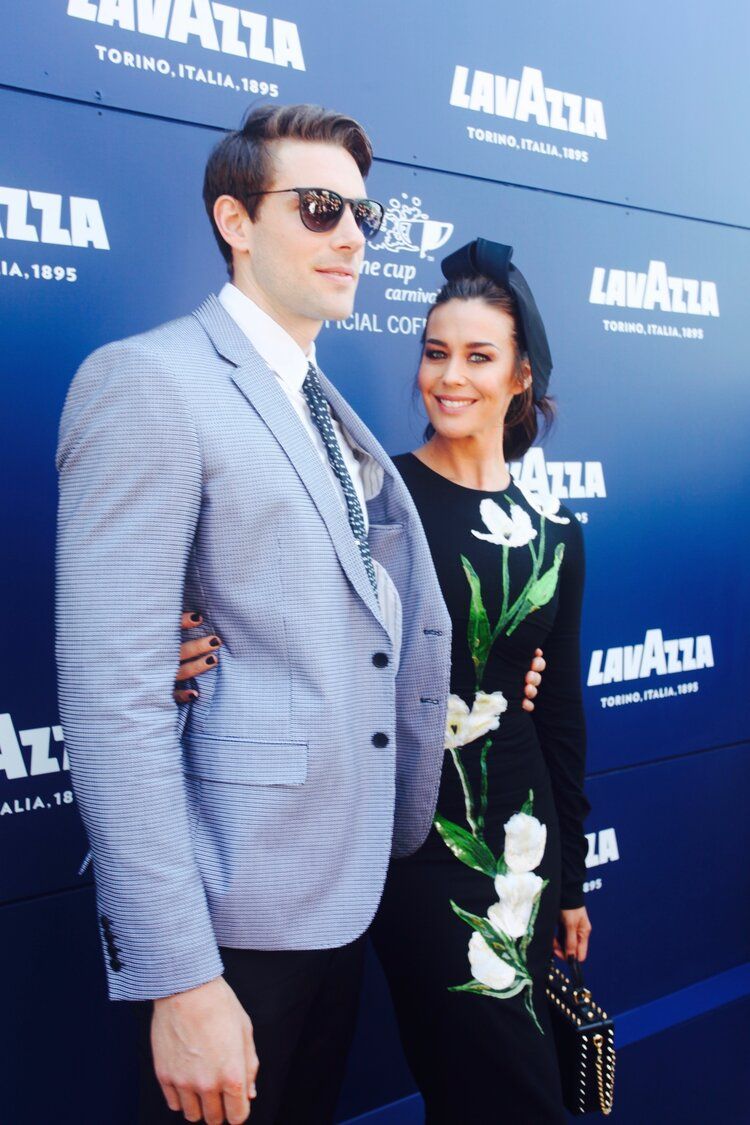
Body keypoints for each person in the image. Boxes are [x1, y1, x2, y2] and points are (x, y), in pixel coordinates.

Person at [56, 103, 455, 1125]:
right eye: (319, 208)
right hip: (228, 908)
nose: (353, 236)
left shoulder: (316, 399)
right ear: (235, 221)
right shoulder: (148, 382)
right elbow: (114, 702)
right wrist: (179, 976)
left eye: (363, 214)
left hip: (338, 889)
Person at [179, 238, 591, 1123]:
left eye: (479, 356)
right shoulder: (373, 501)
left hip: (519, 837)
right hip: (404, 833)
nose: (449, 376)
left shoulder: (557, 531)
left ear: (521, 377)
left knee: (506, 1085)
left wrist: (574, 879)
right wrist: (180, 646)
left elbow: (559, 712)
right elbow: (274, 612)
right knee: (489, 1080)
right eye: (435, 351)